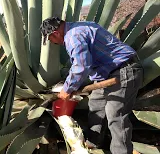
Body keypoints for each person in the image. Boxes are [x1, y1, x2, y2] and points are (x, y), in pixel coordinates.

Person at [40, 16, 143, 154]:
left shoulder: (73, 36)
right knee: (96, 103)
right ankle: (92, 143)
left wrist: (67, 89)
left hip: (123, 71)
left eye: (51, 39)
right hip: (107, 74)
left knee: (116, 116)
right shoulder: (79, 27)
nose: (53, 43)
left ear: (56, 33)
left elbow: (81, 65)